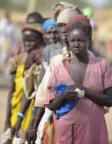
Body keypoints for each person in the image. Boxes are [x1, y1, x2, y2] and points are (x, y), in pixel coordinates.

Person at [45, 14, 112, 144]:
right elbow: (51, 104)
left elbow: (109, 100)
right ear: (68, 41)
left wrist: (85, 91)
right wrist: (63, 95)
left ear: (89, 40)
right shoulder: (59, 68)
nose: (76, 44)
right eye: (73, 40)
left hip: (93, 131)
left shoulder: (101, 65)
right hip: (67, 131)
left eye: (81, 40)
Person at [27, 3, 83, 144]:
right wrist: (34, 126)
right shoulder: (55, 59)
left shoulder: (92, 60)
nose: (63, 29)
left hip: (83, 122)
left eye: (67, 24)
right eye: (60, 25)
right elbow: (42, 95)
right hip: (57, 119)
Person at [0, 12, 44, 144]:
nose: (28, 44)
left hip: (34, 114)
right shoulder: (17, 60)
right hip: (17, 111)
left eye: (32, 40)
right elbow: (12, 92)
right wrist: (7, 121)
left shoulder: (43, 61)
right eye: (26, 41)